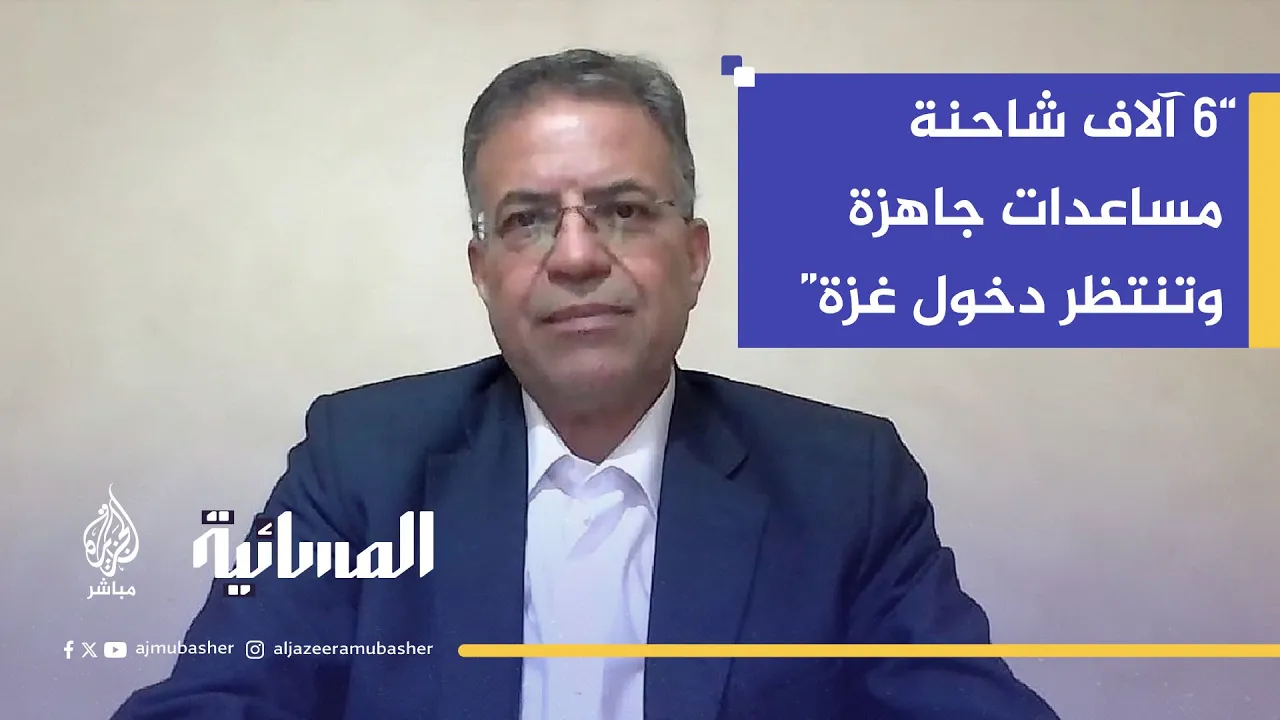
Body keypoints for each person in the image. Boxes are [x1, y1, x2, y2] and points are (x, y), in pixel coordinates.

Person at [112, 48, 1059, 720]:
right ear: (482, 271)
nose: (574, 257)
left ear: (695, 257)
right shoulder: (361, 463)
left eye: (623, 211)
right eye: (527, 219)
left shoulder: (844, 481)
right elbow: (217, 701)